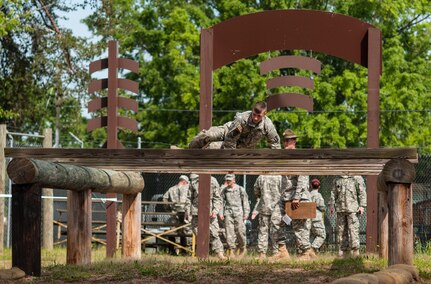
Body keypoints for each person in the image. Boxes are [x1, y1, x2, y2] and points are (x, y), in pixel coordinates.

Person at [280, 129, 315, 260]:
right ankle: (303, 252)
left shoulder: (298, 156)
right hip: (288, 198)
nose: (285, 143)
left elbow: (302, 177)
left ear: (294, 141)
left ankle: (306, 253)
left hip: (298, 199)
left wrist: (296, 197)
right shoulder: (285, 158)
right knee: (293, 225)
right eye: (284, 140)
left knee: (300, 227)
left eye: (288, 140)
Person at [189, 101, 281, 149]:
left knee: (211, 147)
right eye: (254, 114)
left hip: (241, 146)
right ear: (252, 110)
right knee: (206, 135)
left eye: (259, 116)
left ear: (265, 114)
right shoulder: (241, 118)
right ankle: (188, 151)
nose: (255, 118)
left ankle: (197, 157)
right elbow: (230, 140)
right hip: (228, 132)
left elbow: (275, 144)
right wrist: (228, 157)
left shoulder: (268, 126)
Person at [185, 173, 226, 260]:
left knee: (214, 233)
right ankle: (202, 255)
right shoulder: (193, 182)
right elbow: (189, 198)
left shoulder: (213, 181)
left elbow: (217, 198)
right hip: (196, 212)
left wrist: (215, 211)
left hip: (210, 213)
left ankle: (220, 254)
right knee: (198, 233)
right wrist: (187, 212)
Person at [329, 175, 366, 257]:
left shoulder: (356, 178)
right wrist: (331, 205)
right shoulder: (337, 179)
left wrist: (362, 206)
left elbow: (362, 192)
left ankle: (355, 252)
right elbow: (333, 193)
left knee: (353, 230)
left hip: (353, 210)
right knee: (341, 230)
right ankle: (343, 252)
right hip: (340, 209)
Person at [251, 174, 287, 259]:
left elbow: (256, 190)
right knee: (276, 230)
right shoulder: (280, 177)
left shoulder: (261, 177)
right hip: (277, 208)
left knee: (263, 230)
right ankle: (276, 252)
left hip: (264, 206)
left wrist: (262, 197)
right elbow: (285, 191)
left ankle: (262, 254)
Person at [219, 174, 250, 257]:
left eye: (230, 180)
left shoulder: (240, 189)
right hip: (228, 213)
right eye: (227, 180)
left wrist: (246, 213)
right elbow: (221, 202)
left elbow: (245, 202)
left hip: (239, 213)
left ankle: (243, 248)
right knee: (229, 233)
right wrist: (221, 213)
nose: (228, 181)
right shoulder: (224, 190)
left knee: (240, 231)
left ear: (234, 180)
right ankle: (232, 250)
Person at [162, 175, 191, 254]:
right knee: (183, 232)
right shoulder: (187, 188)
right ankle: (184, 251)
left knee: (173, 232)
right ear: (185, 181)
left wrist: (168, 209)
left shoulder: (171, 189)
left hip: (174, 213)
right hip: (184, 213)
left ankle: (172, 251)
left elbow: (164, 198)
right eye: (187, 182)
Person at [309, 178, 326, 254]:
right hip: (317, 218)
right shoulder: (318, 195)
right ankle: (312, 249)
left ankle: (309, 252)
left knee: (312, 236)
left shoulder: (307, 195)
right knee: (322, 235)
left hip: (308, 219)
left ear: (311, 186)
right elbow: (322, 207)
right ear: (319, 187)